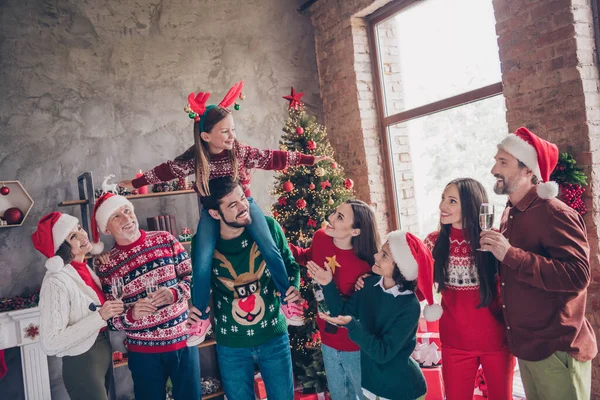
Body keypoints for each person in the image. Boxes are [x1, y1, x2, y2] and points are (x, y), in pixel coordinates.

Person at [120, 81, 328, 345]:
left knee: (269, 246)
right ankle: (202, 317)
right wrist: (135, 183)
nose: (232, 136)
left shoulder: (239, 152)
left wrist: (308, 160)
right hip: (212, 212)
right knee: (202, 258)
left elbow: (271, 157)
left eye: (233, 130)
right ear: (206, 136)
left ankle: (288, 301)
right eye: (225, 131)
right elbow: (164, 171)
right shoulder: (195, 159)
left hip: (246, 206)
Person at [480, 127, 597, 400]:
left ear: (527, 171)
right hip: (527, 347)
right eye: (496, 160)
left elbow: (578, 276)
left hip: (556, 348)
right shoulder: (510, 213)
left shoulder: (554, 212)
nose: (493, 169)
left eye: (503, 162)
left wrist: (511, 254)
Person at [187, 176, 300, 399]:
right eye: (232, 204)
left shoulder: (268, 227)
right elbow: (200, 283)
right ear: (215, 214)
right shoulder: (202, 245)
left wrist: (293, 287)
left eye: (242, 198)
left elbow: (289, 264)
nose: (243, 207)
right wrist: (196, 311)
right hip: (231, 345)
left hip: (274, 337)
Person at [91, 193, 201, 400]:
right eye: (116, 216)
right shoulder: (107, 267)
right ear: (106, 229)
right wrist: (131, 315)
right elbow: (111, 320)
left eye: (126, 210)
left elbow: (192, 278)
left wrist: (175, 293)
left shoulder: (165, 239)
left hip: (183, 344)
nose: (126, 218)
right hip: (143, 353)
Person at [309, 230, 441, 400]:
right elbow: (342, 314)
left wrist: (352, 325)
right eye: (380, 251)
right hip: (370, 386)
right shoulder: (368, 284)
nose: (376, 256)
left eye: (384, 255)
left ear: (400, 268)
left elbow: (382, 353)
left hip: (403, 390)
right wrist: (328, 284)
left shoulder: (409, 306)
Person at [423, 178, 515, 400]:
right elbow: (416, 282)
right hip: (455, 344)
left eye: (452, 201)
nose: (443, 206)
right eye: (443, 199)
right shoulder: (433, 242)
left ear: (471, 205)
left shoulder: (494, 239)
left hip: (497, 342)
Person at [289, 200, 380, 400]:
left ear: (355, 232)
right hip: (328, 339)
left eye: (339, 217)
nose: (330, 218)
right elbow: (307, 257)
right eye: (334, 213)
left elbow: (353, 314)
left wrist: (329, 283)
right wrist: (280, 243)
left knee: (364, 395)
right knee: (339, 395)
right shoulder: (321, 237)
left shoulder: (366, 267)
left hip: (357, 346)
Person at [32, 212, 124, 400]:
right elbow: (50, 343)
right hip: (83, 364)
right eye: (73, 236)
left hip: (102, 355)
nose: (83, 236)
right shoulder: (55, 281)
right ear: (61, 248)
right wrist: (100, 317)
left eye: (80, 229)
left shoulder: (86, 268)